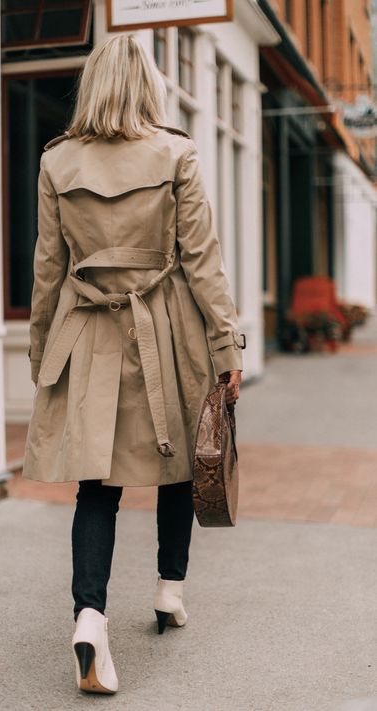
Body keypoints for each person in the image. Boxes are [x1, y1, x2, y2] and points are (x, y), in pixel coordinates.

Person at [22, 33, 246, 695]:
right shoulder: (175, 151)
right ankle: (169, 589)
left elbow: (46, 270)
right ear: (149, 86)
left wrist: (41, 352)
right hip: (166, 327)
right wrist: (227, 345)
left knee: (99, 484)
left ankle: (89, 615)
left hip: (88, 332)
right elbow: (203, 260)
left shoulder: (57, 161)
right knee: (176, 465)